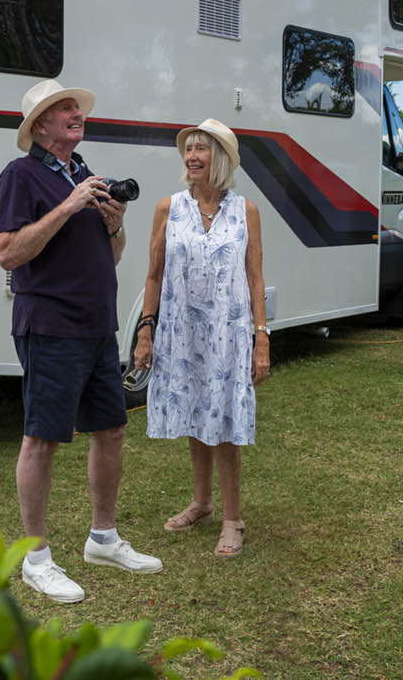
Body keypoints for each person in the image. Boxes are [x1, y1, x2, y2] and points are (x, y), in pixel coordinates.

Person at [0, 78, 163, 603]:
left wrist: (114, 224)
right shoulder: (20, 176)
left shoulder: (83, 172)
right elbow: (7, 252)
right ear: (40, 125)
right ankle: (36, 559)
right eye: (64, 108)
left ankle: (103, 539)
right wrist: (68, 207)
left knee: (111, 430)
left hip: (96, 324)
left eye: (76, 107)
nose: (76, 113)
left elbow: (112, 255)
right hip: (50, 325)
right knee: (41, 439)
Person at [132, 118, 269, 557]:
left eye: (201, 149)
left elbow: (255, 278)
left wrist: (261, 337)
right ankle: (202, 503)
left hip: (228, 333)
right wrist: (145, 330)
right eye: (188, 149)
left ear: (222, 159)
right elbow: (154, 275)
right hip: (182, 331)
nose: (191, 157)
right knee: (195, 413)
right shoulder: (168, 208)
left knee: (224, 421)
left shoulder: (246, 211)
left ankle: (233, 519)